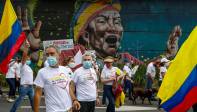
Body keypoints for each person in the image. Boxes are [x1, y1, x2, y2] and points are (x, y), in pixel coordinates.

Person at [34, 45, 81, 112]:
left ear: (59, 54)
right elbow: (38, 94)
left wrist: (74, 100)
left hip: (69, 109)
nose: (49, 56)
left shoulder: (65, 70)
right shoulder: (42, 72)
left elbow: (67, 87)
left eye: (52, 53)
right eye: (47, 55)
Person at [10, 41, 34, 112]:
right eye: (27, 58)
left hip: (30, 87)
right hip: (24, 87)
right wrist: (26, 48)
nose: (28, 59)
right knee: (18, 101)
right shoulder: (22, 65)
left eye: (29, 59)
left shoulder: (29, 67)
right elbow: (24, 56)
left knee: (33, 102)